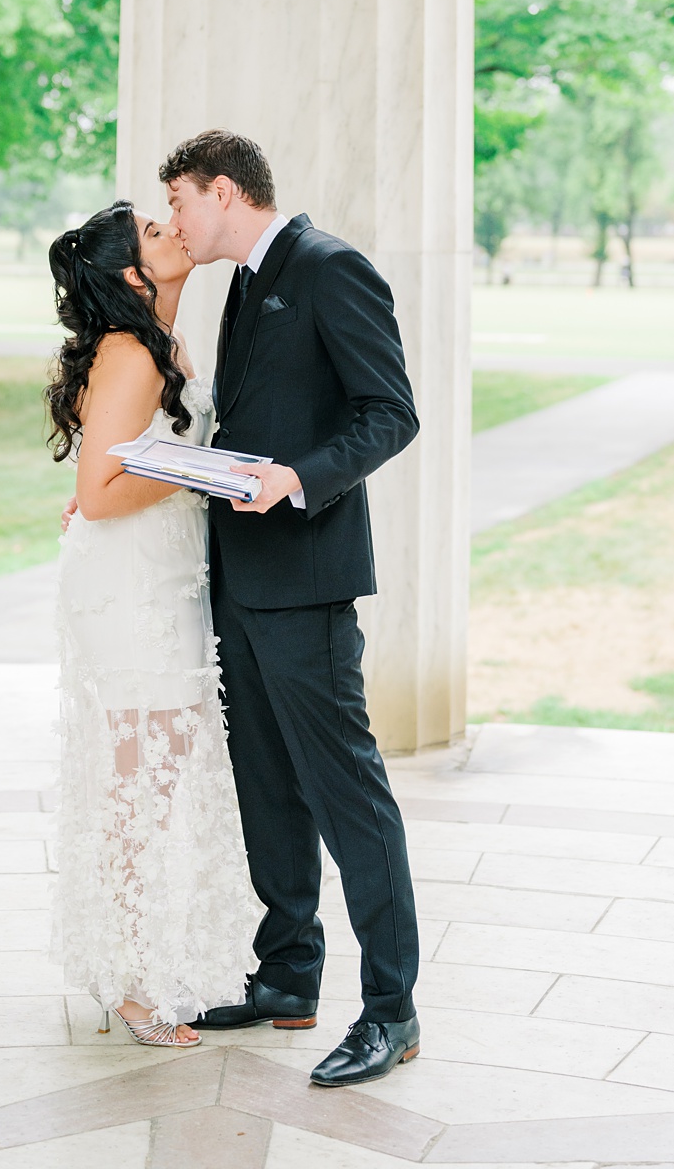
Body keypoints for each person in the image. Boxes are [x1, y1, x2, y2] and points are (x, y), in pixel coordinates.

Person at [161, 129, 425, 1089]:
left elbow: (389, 412)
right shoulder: (242, 285)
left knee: (346, 792)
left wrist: (295, 481)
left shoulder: (330, 268)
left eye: (183, 202)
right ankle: (288, 978)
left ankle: (392, 1010)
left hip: (307, 578)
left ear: (224, 192)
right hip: (240, 577)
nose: (179, 222)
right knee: (266, 782)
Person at [46, 201, 261, 1047]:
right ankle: (133, 986)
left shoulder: (159, 346)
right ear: (135, 276)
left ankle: (128, 963)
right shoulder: (133, 351)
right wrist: (205, 471)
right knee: (141, 790)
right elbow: (101, 495)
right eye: (150, 231)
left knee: (150, 781)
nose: (170, 230)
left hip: (162, 579)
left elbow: (118, 459)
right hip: (130, 592)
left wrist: (178, 469)